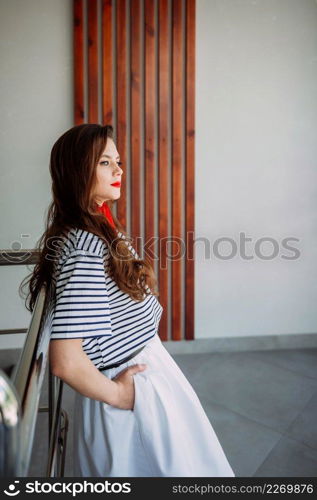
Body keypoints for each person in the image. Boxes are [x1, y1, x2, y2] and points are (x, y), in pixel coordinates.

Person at [20, 123, 235, 477]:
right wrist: (123, 396)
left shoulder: (92, 230)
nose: (119, 170)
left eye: (117, 161)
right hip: (126, 395)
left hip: (139, 380)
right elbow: (66, 361)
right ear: (78, 170)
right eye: (105, 162)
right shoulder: (86, 247)